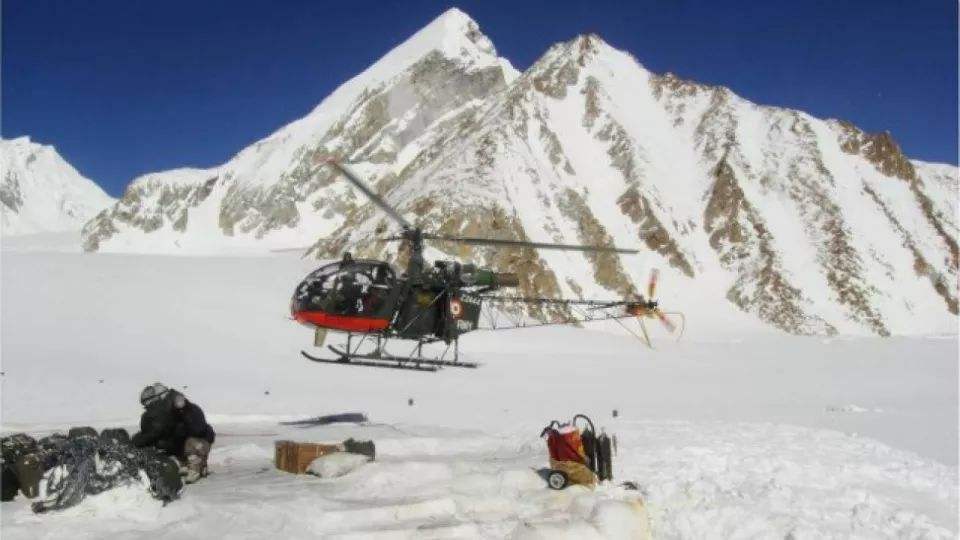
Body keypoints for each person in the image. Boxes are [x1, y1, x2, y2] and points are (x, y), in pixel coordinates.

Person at [132, 383, 215, 484]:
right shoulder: (166, 410)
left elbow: (197, 429)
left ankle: (195, 469)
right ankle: (189, 465)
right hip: (191, 441)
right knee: (167, 444)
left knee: (190, 442)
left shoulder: (180, 407)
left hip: (198, 440)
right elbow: (157, 431)